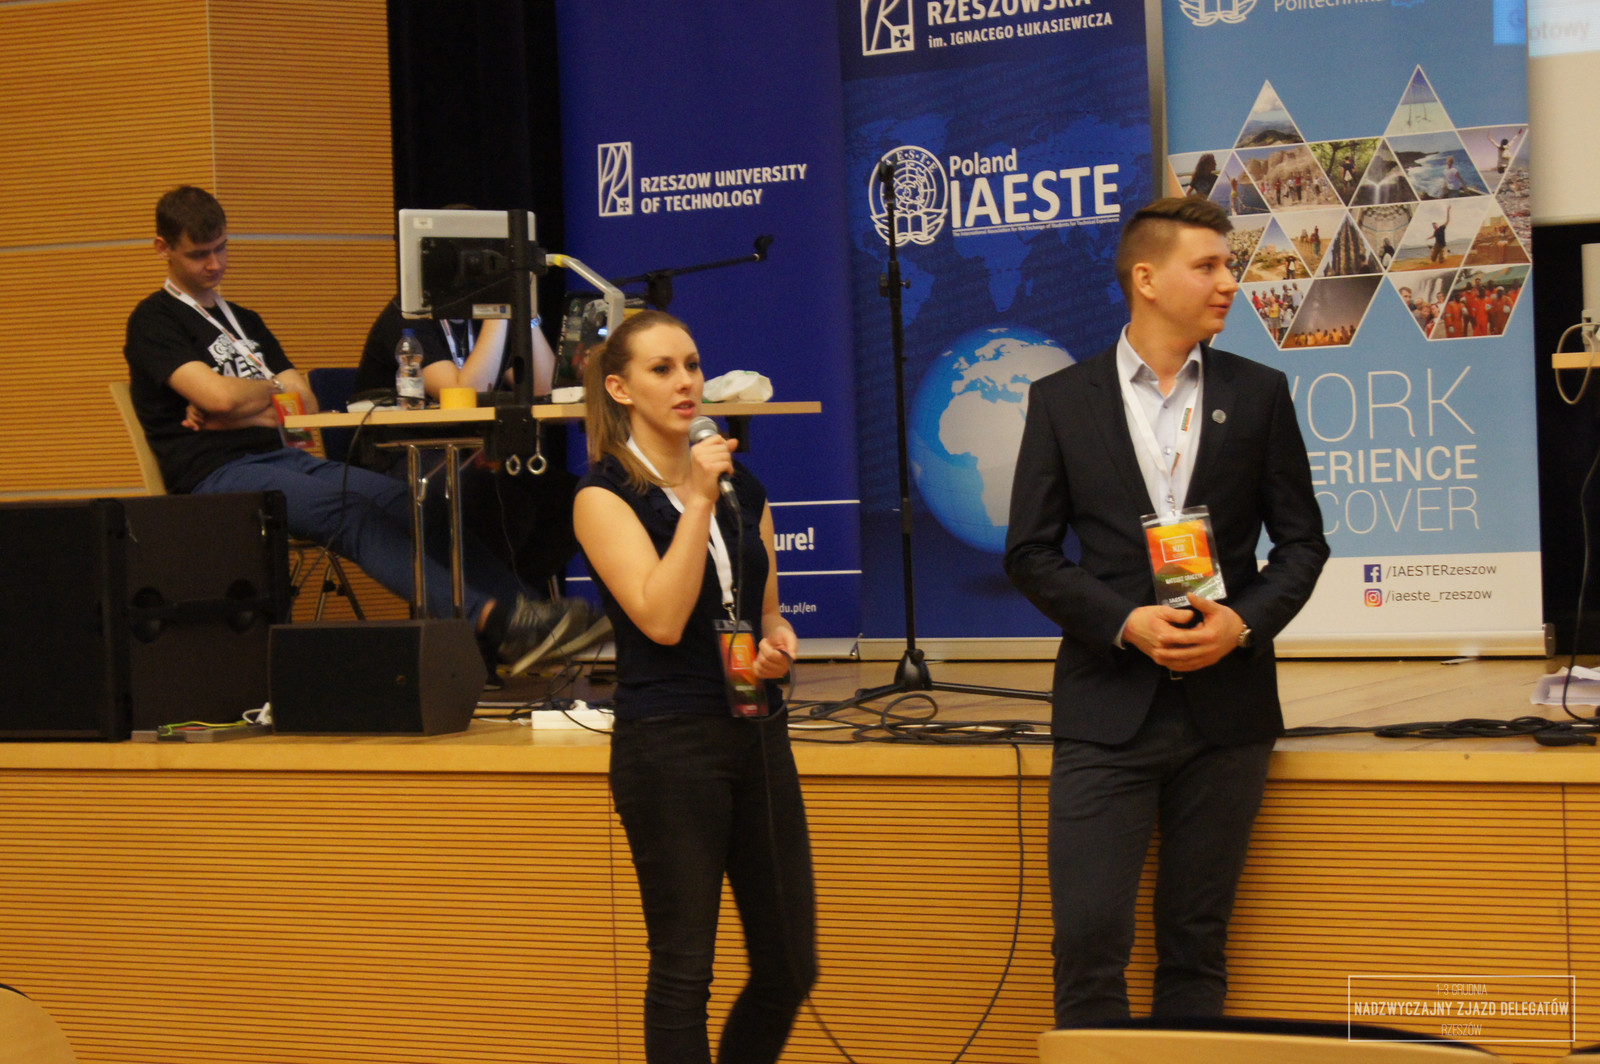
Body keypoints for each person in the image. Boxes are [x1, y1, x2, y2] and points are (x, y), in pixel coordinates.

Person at [1004, 196, 1328, 1026]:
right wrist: (1124, 621)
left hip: (1228, 714)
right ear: (1146, 279)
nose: (1229, 282)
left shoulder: (1258, 393)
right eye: (1208, 266)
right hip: (1106, 710)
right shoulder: (1062, 400)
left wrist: (1241, 623)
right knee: (1087, 945)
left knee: (1195, 946)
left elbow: (1303, 544)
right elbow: (1030, 553)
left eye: (1229, 265)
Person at [122, 185, 579, 677]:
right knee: (350, 510)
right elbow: (222, 398)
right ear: (162, 248)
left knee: (412, 505)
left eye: (221, 249)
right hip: (216, 473)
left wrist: (241, 404)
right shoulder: (154, 320)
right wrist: (257, 396)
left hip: (287, 458)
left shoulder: (243, 320)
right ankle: (492, 622)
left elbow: (303, 401)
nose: (214, 264)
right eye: (199, 255)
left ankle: (533, 616)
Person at [573, 310, 814, 1063]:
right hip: (670, 747)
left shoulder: (744, 487)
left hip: (757, 733)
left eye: (693, 365)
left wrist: (779, 648)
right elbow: (662, 617)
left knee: (790, 966)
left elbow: (766, 613)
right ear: (620, 389)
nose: (686, 382)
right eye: (663, 369)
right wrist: (699, 498)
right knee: (684, 975)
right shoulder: (604, 497)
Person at [350, 296, 606, 662]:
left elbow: (544, 388)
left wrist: (526, 315)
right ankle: (501, 626)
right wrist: (499, 313)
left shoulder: (481, 319)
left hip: (471, 456)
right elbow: (464, 393)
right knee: (488, 497)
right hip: (402, 459)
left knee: (573, 500)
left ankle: (516, 619)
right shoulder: (409, 313)